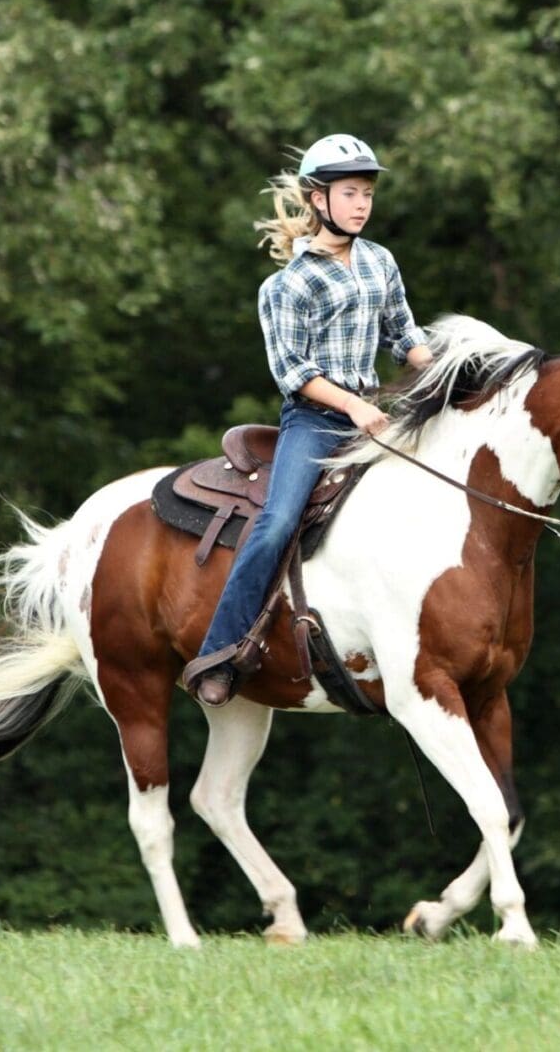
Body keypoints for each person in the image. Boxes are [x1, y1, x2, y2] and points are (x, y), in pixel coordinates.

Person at [182, 134, 434, 707]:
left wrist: (451, 374)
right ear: (318, 200)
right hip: (317, 422)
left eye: (367, 193)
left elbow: (405, 336)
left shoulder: (380, 261)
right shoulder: (286, 285)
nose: (362, 204)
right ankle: (223, 651)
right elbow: (292, 372)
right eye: (350, 193)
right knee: (276, 524)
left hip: (377, 416)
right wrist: (353, 405)